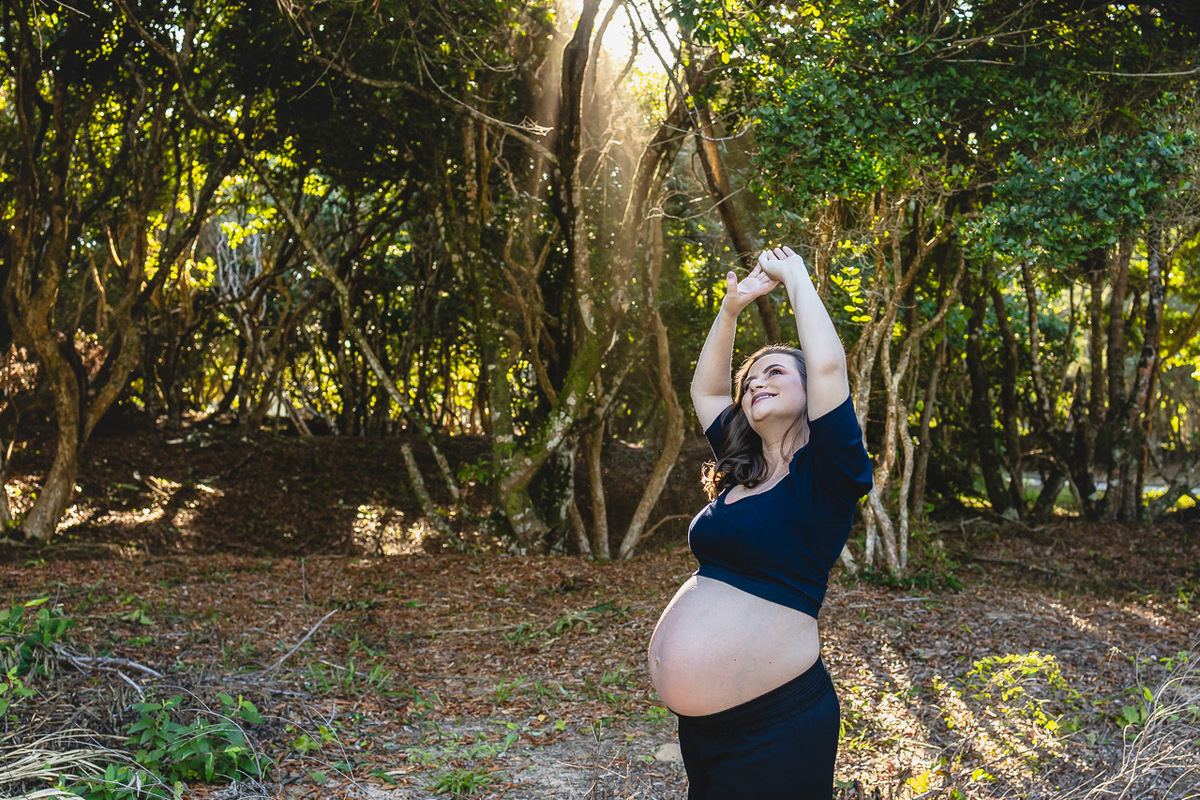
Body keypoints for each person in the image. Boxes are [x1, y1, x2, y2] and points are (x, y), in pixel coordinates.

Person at [647, 245, 873, 799]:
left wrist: (794, 275)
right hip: (707, 729)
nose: (755, 384)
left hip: (777, 724)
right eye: (750, 380)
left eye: (775, 372)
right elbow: (706, 390)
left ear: (810, 393)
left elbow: (828, 365)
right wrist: (731, 310)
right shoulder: (743, 468)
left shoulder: (828, 472)